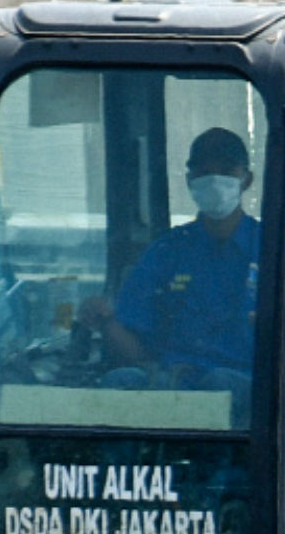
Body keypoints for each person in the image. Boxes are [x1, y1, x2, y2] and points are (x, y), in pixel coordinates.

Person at [107, 127, 263, 400]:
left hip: (248, 391)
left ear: (246, 179)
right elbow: (129, 329)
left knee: (220, 383)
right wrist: (105, 320)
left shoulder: (272, 248)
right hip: (172, 382)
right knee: (119, 382)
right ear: (190, 180)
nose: (214, 180)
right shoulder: (167, 251)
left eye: (226, 170)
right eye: (203, 171)